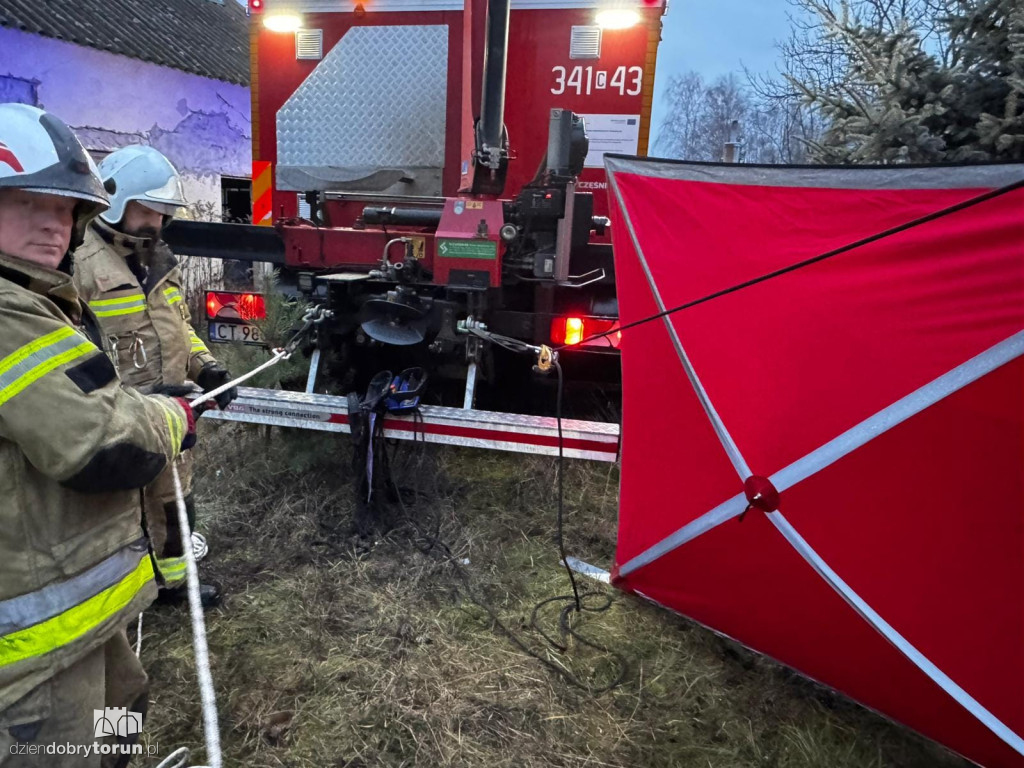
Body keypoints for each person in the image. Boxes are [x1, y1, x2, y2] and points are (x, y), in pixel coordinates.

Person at [0, 104, 197, 766]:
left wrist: (196, 367)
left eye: (62, 207)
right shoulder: (14, 313)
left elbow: (162, 338)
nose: (51, 224)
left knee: (121, 714)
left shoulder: (40, 298)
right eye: (25, 203)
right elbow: (97, 443)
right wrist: (171, 417)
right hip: (31, 646)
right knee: (74, 749)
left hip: (78, 609)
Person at [73, 146, 235, 609]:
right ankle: (127, 597)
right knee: (126, 511)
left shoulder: (157, 260)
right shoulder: (81, 265)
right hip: (120, 418)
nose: (156, 223)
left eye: (162, 213)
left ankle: (173, 585)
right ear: (115, 200)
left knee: (175, 502)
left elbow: (178, 328)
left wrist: (207, 368)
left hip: (172, 415)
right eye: (147, 210)